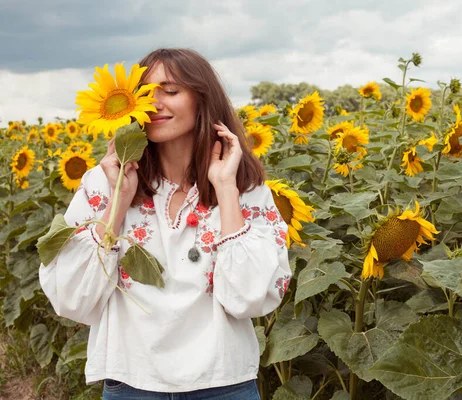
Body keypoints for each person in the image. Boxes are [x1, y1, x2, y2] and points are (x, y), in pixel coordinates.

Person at [39, 48, 292, 399]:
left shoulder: (244, 188)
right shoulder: (104, 183)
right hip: (132, 382)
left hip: (223, 383)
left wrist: (225, 188)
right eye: (143, 93)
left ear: (204, 101)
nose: (154, 103)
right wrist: (119, 201)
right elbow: (70, 299)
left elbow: (249, 299)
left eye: (170, 91)